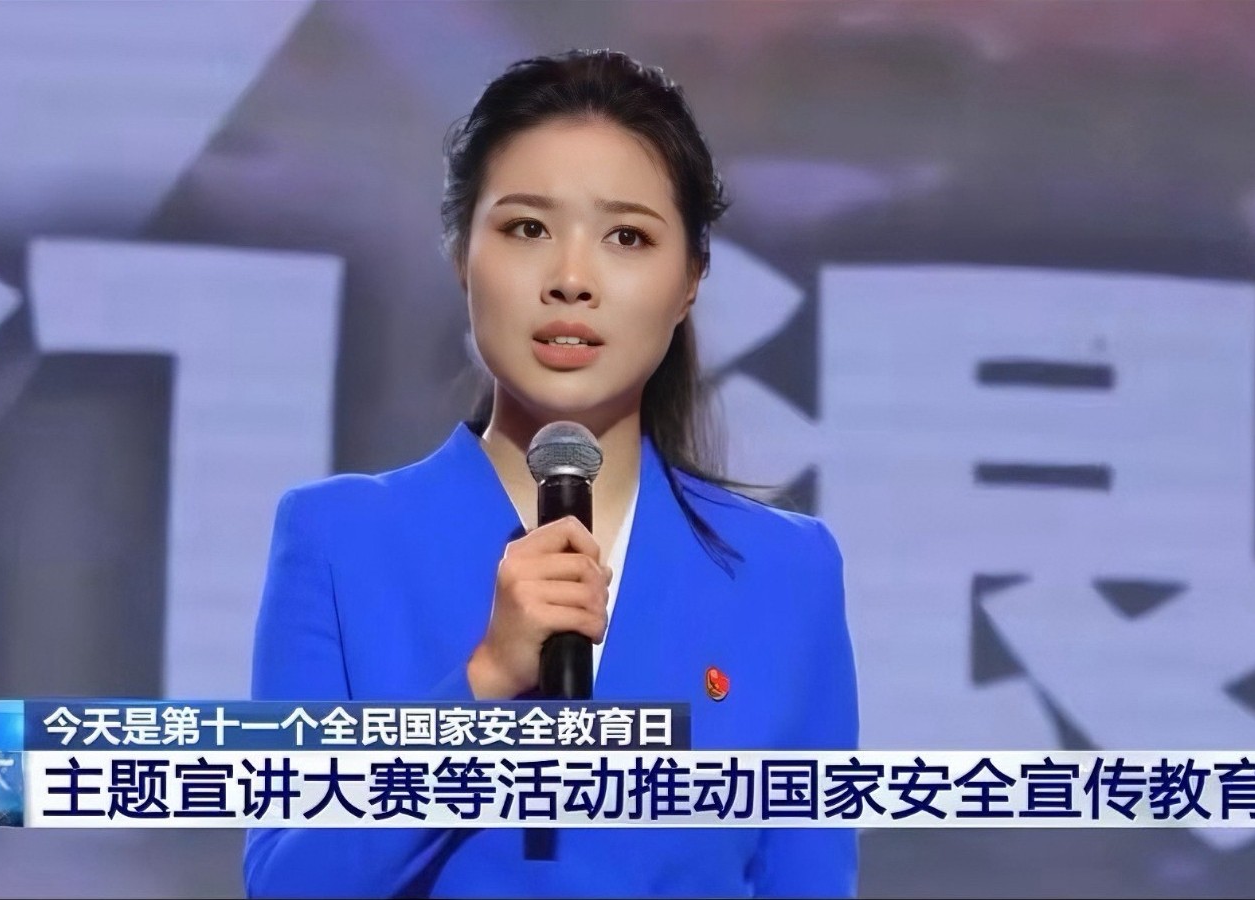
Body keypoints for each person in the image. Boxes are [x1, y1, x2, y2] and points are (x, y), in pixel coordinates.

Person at [244, 48, 857, 898]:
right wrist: (483, 683)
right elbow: (287, 883)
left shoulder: (786, 574)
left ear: (690, 280)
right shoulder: (340, 542)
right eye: (527, 229)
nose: (571, 280)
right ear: (462, 253)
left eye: (627, 237)